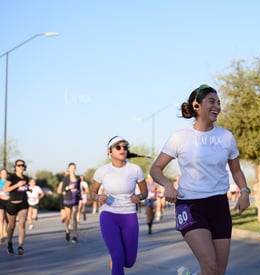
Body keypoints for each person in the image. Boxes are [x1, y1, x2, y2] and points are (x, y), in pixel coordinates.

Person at [150, 84, 250, 275]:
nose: (217, 107)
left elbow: (236, 171)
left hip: (219, 205)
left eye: (219, 103)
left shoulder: (226, 137)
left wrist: (244, 191)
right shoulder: (180, 137)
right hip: (190, 205)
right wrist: (168, 186)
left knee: (218, 272)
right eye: (212, 101)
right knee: (210, 266)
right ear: (197, 105)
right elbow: (155, 169)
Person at [91, 136, 148, 275]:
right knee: (117, 255)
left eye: (125, 147)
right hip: (109, 216)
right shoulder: (102, 171)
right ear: (109, 151)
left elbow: (145, 192)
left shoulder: (135, 170)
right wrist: (98, 197)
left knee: (129, 261)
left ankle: (116, 263)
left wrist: (139, 197)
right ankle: (116, 262)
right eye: (118, 147)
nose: (122, 149)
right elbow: (92, 193)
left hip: (129, 216)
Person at [3, 160, 30, 255]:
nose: (21, 167)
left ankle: (20, 246)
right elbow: (5, 189)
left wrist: (29, 188)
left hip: (23, 204)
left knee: (22, 224)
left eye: (23, 165)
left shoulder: (26, 178)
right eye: (19, 165)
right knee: (12, 226)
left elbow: (25, 189)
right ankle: (9, 242)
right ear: (15, 167)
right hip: (12, 204)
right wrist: (17, 185)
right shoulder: (12, 177)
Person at [61, 162, 81, 243]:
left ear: (75, 169)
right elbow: (63, 191)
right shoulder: (66, 178)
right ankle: (67, 230)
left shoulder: (78, 178)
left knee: (74, 217)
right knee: (68, 217)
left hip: (76, 199)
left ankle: (75, 235)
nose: (72, 169)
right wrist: (68, 187)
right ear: (68, 169)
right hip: (68, 199)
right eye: (71, 168)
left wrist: (80, 195)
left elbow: (79, 189)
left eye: (74, 167)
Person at [0, 168, 9, 243]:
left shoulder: (9, 182)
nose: (4, 174)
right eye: (2, 173)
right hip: (1, 200)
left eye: (5, 173)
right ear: (0, 174)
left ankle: (5, 230)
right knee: (1, 218)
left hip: (8, 201)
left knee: (7, 220)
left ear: (7, 174)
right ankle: (0, 235)